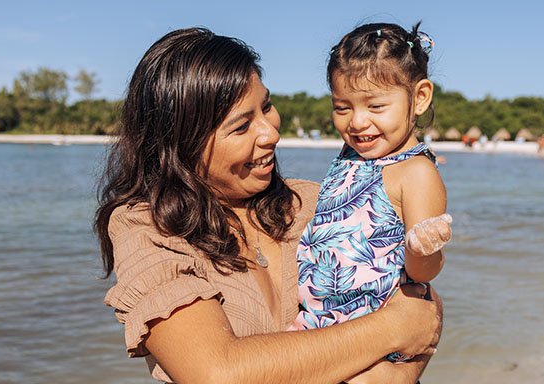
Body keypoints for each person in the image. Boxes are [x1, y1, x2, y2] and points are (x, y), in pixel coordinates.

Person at [93, 28, 441, 383]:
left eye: (267, 106)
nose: (271, 132)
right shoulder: (150, 228)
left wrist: (399, 372)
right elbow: (216, 373)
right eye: (242, 126)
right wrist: (389, 329)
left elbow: (419, 302)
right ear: (182, 144)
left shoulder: (308, 201)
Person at [288, 22, 450, 381]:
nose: (358, 122)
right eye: (342, 107)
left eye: (376, 105)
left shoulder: (415, 172)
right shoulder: (351, 156)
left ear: (420, 97)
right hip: (322, 329)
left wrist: (422, 246)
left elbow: (424, 273)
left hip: (378, 347)